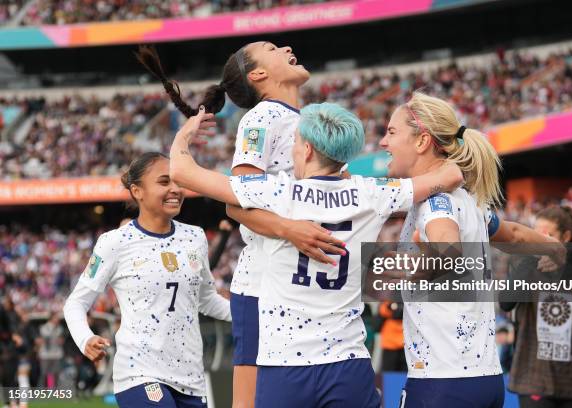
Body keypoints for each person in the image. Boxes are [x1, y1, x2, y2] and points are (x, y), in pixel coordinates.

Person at [169, 102, 463, 407]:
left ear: (307, 150)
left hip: (284, 364)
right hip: (347, 361)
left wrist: (184, 135)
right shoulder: (374, 192)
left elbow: (181, 171)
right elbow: (450, 175)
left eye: (296, 144)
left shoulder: (276, 192)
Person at [137, 43, 345, 408]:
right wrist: (289, 229)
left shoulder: (312, 121)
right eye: (271, 47)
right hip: (266, 281)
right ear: (258, 75)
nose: (287, 47)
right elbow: (238, 204)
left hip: (310, 277)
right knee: (251, 398)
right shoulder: (262, 118)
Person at [380, 92, 563, 407]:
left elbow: (448, 250)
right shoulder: (469, 200)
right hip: (485, 378)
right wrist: (556, 249)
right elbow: (515, 235)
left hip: (441, 381)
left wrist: (401, 271)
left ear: (422, 141)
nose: (384, 142)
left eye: (392, 132)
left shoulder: (434, 203)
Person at [63, 152, 231, 408]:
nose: (175, 189)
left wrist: (255, 312)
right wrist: (85, 338)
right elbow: (75, 303)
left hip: (191, 377)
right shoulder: (115, 243)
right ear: (137, 191)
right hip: (139, 373)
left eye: (177, 182)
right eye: (164, 182)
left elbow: (207, 300)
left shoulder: (194, 237)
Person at [501, 206, 572, 408]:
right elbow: (505, 302)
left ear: (566, 236)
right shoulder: (526, 267)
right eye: (537, 234)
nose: (541, 240)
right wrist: (530, 258)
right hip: (533, 379)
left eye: (548, 235)